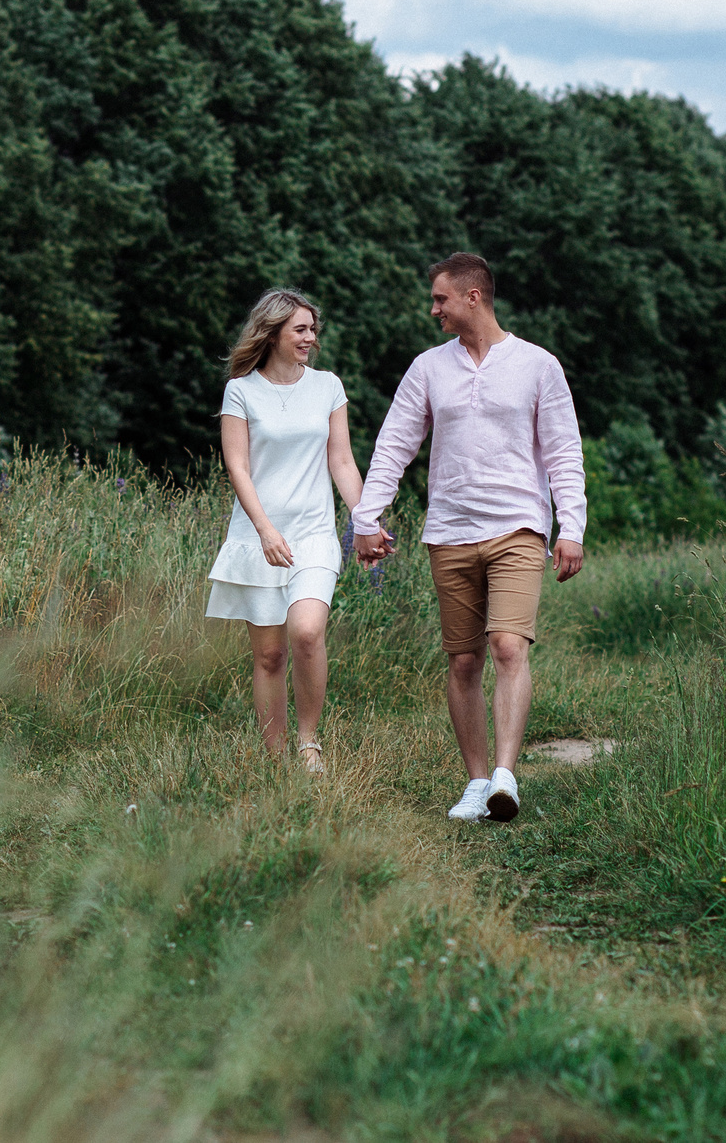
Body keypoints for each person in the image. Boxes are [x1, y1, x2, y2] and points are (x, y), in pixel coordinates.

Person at [352, 253, 585, 823]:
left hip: (517, 528)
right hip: (450, 532)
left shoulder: (537, 365)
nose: (433, 309)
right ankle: (477, 782)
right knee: (463, 661)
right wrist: (366, 517)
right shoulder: (428, 368)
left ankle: (506, 775)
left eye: (441, 299)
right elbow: (395, 445)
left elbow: (563, 452)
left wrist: (571, 526)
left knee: (508, 646)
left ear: (473, 297)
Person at [207, 288, 365, 775]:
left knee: (307, 631)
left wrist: (365, 520)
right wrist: (264, 530)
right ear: (272, 331)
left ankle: (308, 742)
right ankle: (275, 758)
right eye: (301, 329)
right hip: (259, 535)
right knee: (270, 655)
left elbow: (341, 460)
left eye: (313, 329)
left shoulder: (328, 387)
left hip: (314, 533)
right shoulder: (241, 390)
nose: (310, 338)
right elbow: (239, 468)